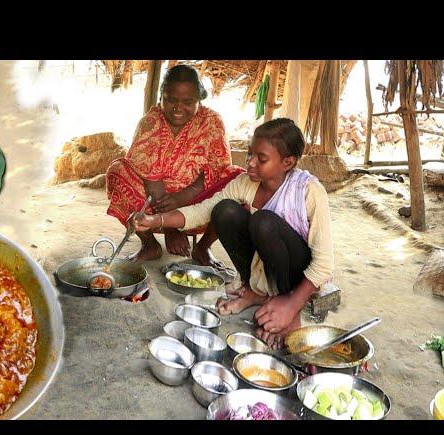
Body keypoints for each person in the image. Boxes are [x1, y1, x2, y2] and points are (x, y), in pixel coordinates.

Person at [133, 118, 334, 348]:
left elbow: (324, 265)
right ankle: (252, 290)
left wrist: (291, 306)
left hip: (297, 275)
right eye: (250, 154)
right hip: (265, 267)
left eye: (262, 159)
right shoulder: (245, 183)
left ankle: (287, 309)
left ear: (287, 162)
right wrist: (154, 220)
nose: (250, 163)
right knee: (224, 211)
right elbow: (203, 211)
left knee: (264, 222)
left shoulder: (309, 191)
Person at [106, 64, 244, 263]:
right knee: (118, 171)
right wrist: (171, 228)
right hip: (156, 199)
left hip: (198, 197)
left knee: (237, 180)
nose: (178, 108)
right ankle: (150, 245)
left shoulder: (212, 121)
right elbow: (150, 176)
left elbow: (218, 168)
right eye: (171, 100)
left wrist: (184, 196)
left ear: (199, 100)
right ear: (162, 96)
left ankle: (202, 248)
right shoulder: (151, 122)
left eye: (188, 101)